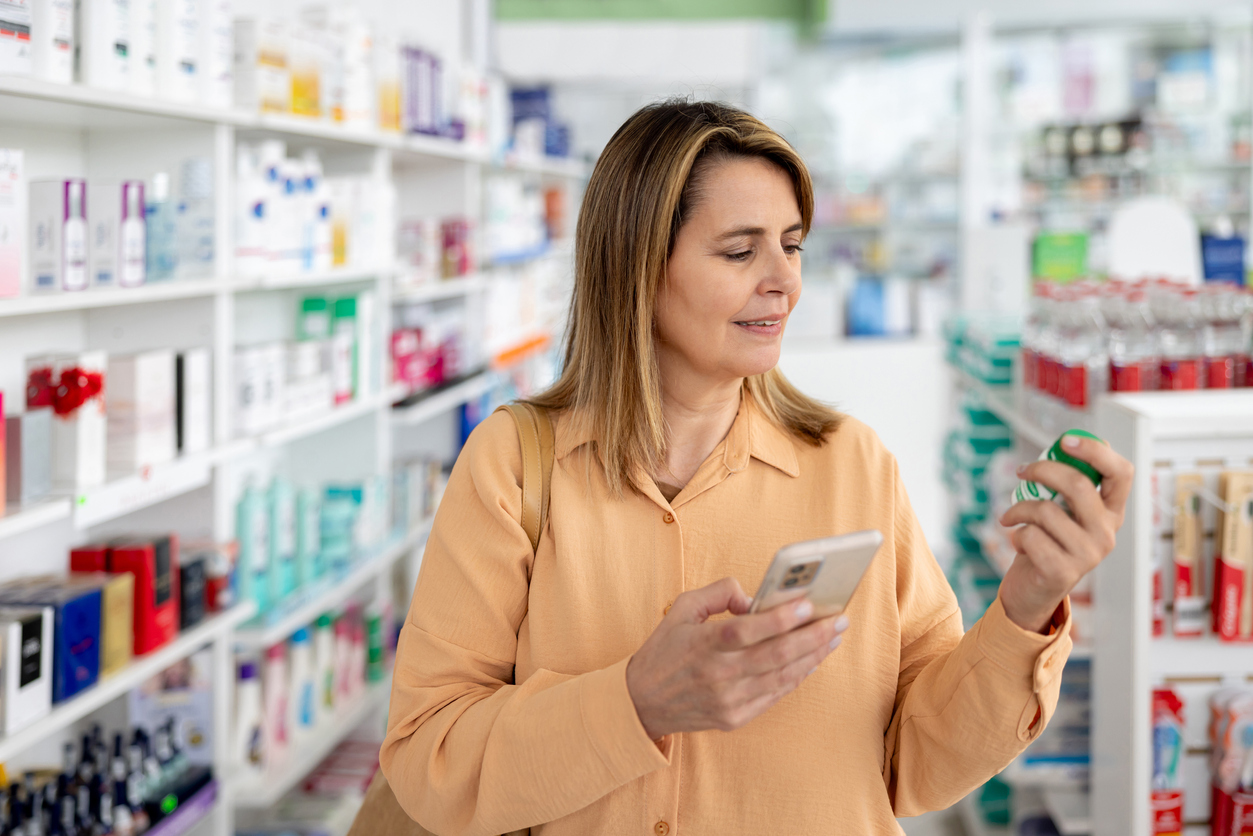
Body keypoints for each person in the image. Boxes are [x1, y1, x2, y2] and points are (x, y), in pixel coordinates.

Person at [379, 100, 1133, 835]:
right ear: (635, 266)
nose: (783, 280)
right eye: (740, 251)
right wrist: (634, 703)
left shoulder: (850, 464)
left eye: (792, 245)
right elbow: (429, 758)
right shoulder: (515, 463)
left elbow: (918, 764)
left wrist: (1028, 604)